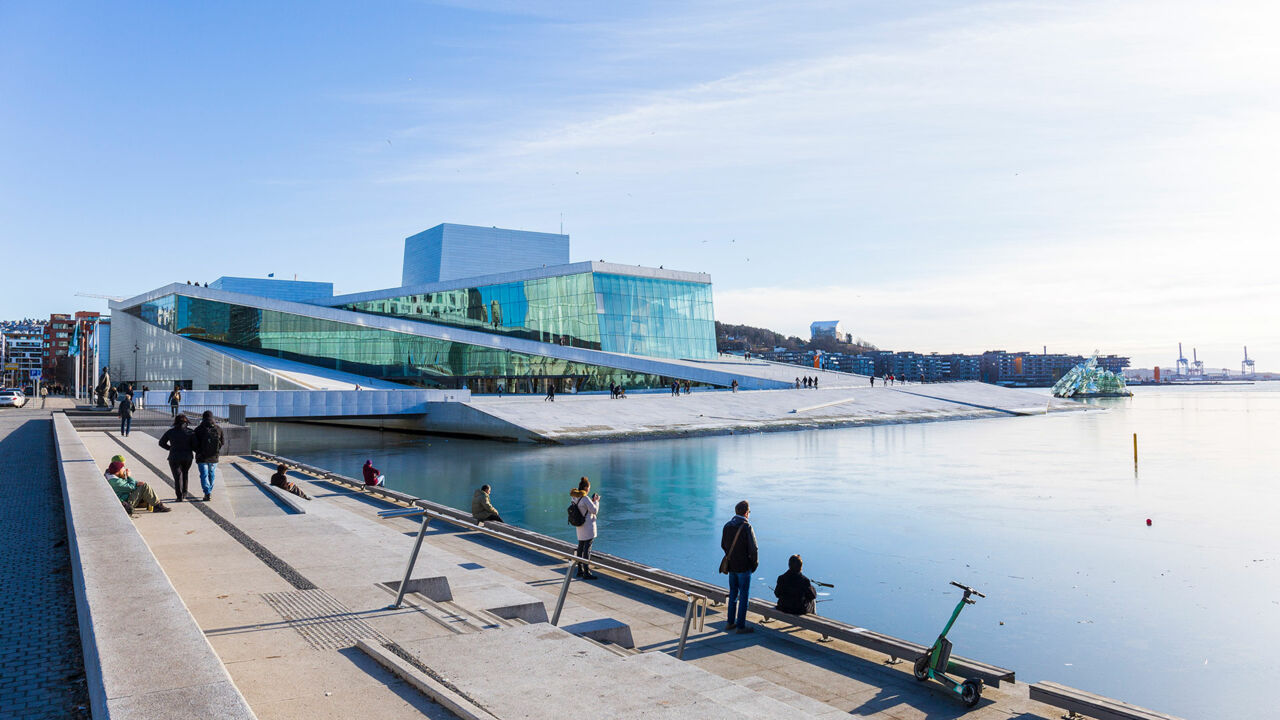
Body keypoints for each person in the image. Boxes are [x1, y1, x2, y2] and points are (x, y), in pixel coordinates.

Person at [720, 500, 758, 633]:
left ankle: (730, 622)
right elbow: (754, 549)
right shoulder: (747, 527)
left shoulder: (727, 526)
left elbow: (723, 545)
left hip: (732, 566)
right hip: (744, 567)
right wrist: (754, 564)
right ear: (746, 512)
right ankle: (741, 626)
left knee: (733, 594)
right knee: (744, 597)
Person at [105, 455, 170, 513]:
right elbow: (131, 487)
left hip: (124, 497)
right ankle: (158, 506)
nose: (124, 469)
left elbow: (127, 484)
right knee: (144, 486)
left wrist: (135, 482)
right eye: (123, 468)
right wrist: (128, 476)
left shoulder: (111, 475)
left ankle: (157, 505)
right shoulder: (115, 481)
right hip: (125, 502)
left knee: (141, 485)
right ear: (117, 471)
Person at [158, 414, 195, 501]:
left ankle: (179, 496)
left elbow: (161, 443)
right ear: (186, 422)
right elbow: (195, 445)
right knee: (185, 474)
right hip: (188, 457)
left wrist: (170, 448)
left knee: (178, 476)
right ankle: (184, 493)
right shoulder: (191, 432)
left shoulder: (170, 432)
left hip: (174, 457)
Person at [569, 477, 600, 579]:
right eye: (589, 487)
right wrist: (596, 501)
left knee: (580, 547)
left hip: (579, 526)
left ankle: (579, 570)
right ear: (586, 487)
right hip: (588, 526)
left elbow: (581, 508)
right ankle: (586, 572)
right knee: (587, 549)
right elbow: (594, 510)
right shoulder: (585, 498)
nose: (589, 489)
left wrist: (590, 502)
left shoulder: (574, 497)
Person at [193, 410, 223, 501]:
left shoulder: (198, 429)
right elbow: (222, 442)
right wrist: (215, 450)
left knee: (204, 475)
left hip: (202, 457)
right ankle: (209, 491)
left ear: (203, 418)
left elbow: (194, 444)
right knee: (212, 474)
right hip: (214, 457)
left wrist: (199, 452)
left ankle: (207, 492)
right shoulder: (218, 429)